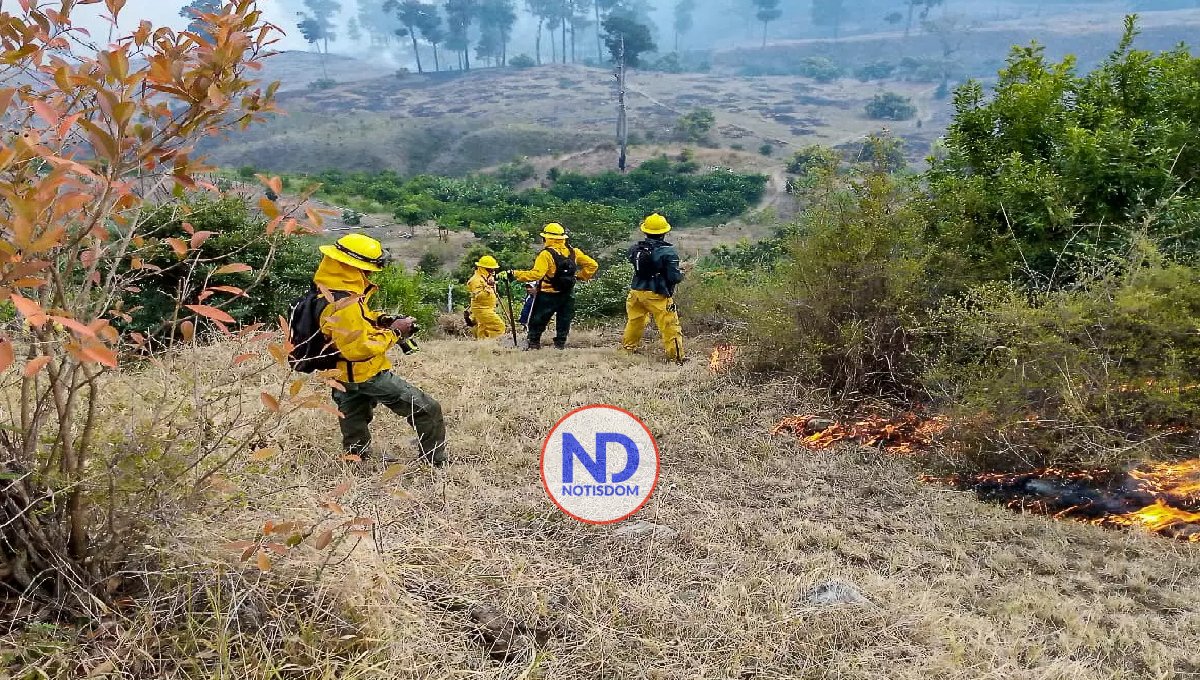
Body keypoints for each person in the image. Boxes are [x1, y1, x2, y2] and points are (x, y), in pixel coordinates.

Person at [314, 234, 448, 465]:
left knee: (353, 416)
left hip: (339, 373)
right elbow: (358, 348)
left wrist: (382, 319)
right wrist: (395, 332)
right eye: (369, 268)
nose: (372, 273)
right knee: (427, 409)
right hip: (364, 372)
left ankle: (356, 458)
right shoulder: (345, 301)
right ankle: (435, 462)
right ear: (354, 267)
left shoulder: (330, 289)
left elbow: (353, 324)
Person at [505, 223, 597, 350]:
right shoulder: (574, 252)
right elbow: (593, 265)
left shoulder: (546, 254)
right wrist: (581, 276)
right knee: (564, 319)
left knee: (538, 319)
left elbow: (537, 274)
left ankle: (534, 343)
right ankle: (560, 344)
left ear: (547, 238)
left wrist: (514, 274)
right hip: (567, 292)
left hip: (548, 293)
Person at [621, 213, 686, 362]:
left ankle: (627, 349)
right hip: (657, 294)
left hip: (636, 291)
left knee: (635, 321)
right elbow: (674, 277)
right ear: (664, 232)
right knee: (670, 325)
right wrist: (682, 273)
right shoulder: (668, 252)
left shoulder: (635, 249)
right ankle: (676, 358)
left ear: (645, 231)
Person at [466, 255, 507, 340]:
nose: (493, 271)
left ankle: (483, 346)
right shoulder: (475, 280)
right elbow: (478, 296)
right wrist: (488, 286)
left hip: (488, 308)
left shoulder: (487, 277)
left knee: (483, 330)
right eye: (490, 269)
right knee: (499, 327)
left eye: (493, 269)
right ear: (483, 268)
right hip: (481, 309)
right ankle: (493, 344)